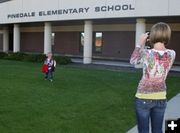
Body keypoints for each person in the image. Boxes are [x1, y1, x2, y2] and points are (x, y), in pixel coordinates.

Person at [130, 22, 176, 133]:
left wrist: (139, 44)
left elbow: (133, 61)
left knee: (144, 130)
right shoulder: (172, 53)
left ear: (152, 36)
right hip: (161, 98)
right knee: (157, 130)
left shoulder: (146, 53)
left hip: (143, 97)